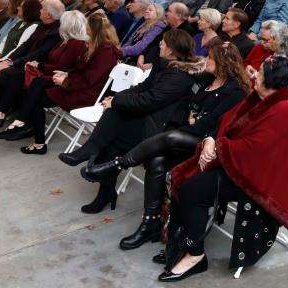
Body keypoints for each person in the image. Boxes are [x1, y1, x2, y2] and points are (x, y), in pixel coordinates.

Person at [80, 42, 249, 252]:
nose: (207, 61)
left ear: (224, 63)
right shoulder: (207, 78)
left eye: (212, 58)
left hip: (207, 142)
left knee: (167, 137)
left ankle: (118, 164)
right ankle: (150, 222)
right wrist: (193, 116)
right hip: (185, 133)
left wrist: (195, 119)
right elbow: (188, 106)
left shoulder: (235, 92)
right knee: (156, 159)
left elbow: (214, 123)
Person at [161, 55, 288, 282]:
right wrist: (210, 140)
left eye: (261, 73)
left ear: (270, 81)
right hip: (238, 165)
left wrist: (217, 147)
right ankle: (182, 243)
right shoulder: (262, 98)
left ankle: (195, 255)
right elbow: (227, 122)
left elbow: (255, 149)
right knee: (184, 179)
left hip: (257, 178)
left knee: (192, 190)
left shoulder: (284, 109)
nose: (255, 74)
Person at [59, 29, 202, 213]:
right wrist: (116, 98)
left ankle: (93, 160)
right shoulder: (165, 64)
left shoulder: (179, 76)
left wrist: (116, 101)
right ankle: (100, 177)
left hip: (160, 130)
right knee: (112, 132)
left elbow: (151, 99)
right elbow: (143, 87)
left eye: (163, 43)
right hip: (148, 118)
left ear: (172, 50)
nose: (160, 44)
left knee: (111, 137)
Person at [0, 13, 120, 153]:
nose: (85, 27)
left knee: (36, 96)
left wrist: (65, 81)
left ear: (94, 29)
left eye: (87, 25)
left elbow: (90, 80)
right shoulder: (97, 46)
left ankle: (32, 134)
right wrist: (67, 74)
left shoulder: (105, 51)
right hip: (77, 85)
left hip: (86, 94)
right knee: (36, 87)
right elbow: (81, 69)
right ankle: (25, 125)